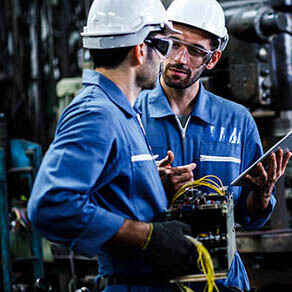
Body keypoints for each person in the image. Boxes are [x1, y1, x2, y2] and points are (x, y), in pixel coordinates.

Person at [27, 0, 201, 291]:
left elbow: (109, 185)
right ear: (140, 49)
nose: (164, 60)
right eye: (164, 47)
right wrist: (146, 235)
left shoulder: (122, 112)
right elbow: (50, 205)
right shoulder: (97, 113)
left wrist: (147, 183)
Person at [135, 0, 292, 291]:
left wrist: (261, 194)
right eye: (174, 44)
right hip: (152, 278)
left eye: (195, 51)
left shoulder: (236, 121)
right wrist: (152, 184)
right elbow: (104, 205)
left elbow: (250, 217)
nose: (180, 58)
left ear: (213, 59)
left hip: (222, 280)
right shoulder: (132, 113)